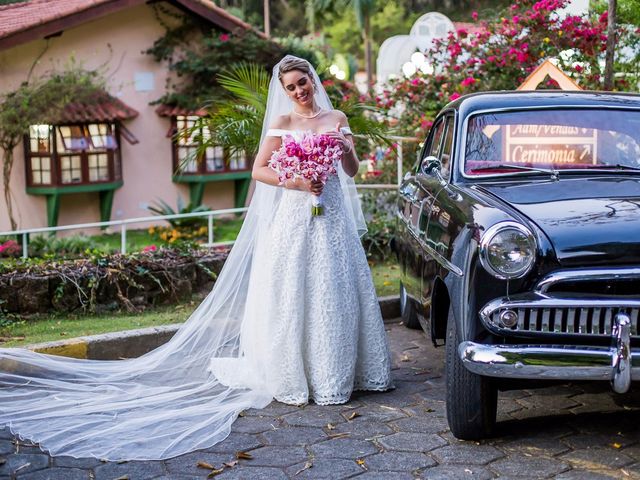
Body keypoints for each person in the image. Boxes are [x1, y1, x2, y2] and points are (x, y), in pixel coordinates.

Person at [0, 55, 391, 461]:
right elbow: (259, 170)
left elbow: (352, 170)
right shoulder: (283, 124)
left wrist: (346, 148)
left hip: (331, 218)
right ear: (285, 90)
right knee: (293, 291)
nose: (299, 91)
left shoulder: (337, 117)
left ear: (313, 80)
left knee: (335, 289)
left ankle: (341, 372)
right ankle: (296, 373)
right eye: (291, 86)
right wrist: (294, 181)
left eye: (303, 82)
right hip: (296, 215)